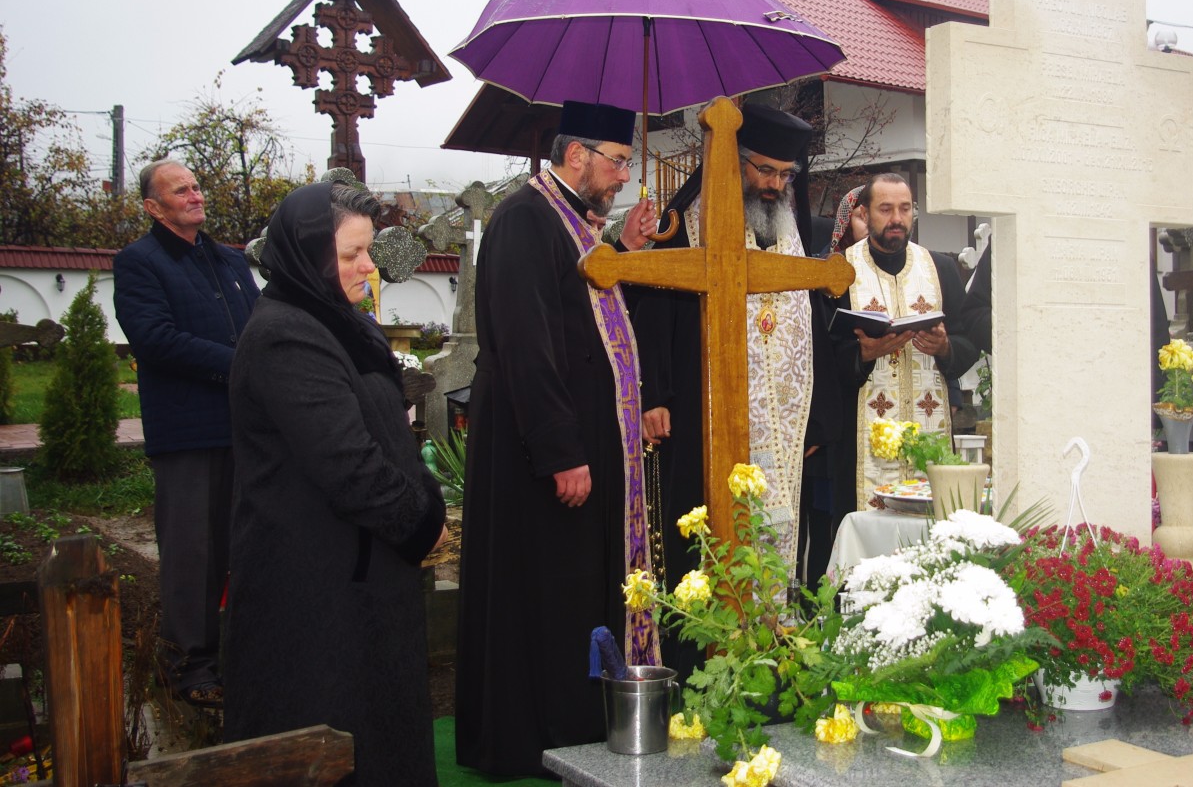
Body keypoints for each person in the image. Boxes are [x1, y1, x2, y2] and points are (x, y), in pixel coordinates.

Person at [455, 101, 660, 778]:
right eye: (618, 162)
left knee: (569, 588)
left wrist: (624, 251)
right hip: (537, 450)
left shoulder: (570, 222)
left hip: (578, 442)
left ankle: (575, 726)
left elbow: (582, 314)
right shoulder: (524, 219)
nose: (624, 176)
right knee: (539, 589)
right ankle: (530, 736)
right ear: (577, 156)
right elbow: (527, 344)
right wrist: (560, 451)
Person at [223, 181, 447, 784]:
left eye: (367, 250)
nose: (369, 266)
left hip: (359, 576)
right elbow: (349, 465)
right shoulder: (285, 336)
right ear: (307, 257)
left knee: (379, 734)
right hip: (312, 591)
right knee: (329, 739)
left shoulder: (339, 322)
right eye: (352, 254)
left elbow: (386, 429)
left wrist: (419, 495)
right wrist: (422, 520)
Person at [632, 103, 840, 651]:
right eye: (764, 170)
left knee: (775, 538)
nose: (774, 185)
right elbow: (652, 307)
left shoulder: (789, 232)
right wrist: (655, 395)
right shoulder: (685, 223)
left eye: (785, 175)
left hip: (780, 423)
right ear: (735, 161)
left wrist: (815, 420)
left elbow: (809, 323)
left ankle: (770, 653)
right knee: (703, 536)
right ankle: (701, 657)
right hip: (701, 413)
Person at [113, 158, 259, 707]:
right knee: (193, 554)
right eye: (181, 190)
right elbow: (155, 339)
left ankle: (243, 658)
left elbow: (258, 325)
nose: (196, 195)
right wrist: (241, 364)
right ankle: (189, 669)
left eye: (197, 186)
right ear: (154, 207)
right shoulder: (139, 262)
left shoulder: (230, 260)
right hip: (189, 432)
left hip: (246, 427)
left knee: (247, 546)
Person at [831, 173, 980, 507]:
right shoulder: (840, 270)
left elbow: (969, 341)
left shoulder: (940, 268)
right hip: (860, 439)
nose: (897, 218)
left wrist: (945, 348)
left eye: (904, 208)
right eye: (885, 209)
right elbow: (824, 356)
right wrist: (862, 355)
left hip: (930, 427)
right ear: (865, 214)